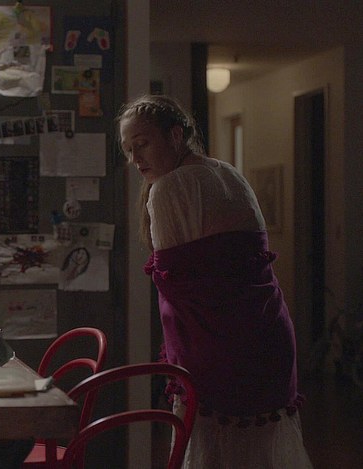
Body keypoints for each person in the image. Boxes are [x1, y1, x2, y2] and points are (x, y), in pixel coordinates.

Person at [118, 94, 313, 468]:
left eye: (142, 144)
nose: (135, 158)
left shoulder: (168, 189)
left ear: (176, 135)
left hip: (216, 349)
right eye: (129, 149)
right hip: (269, 335)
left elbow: (175, 292)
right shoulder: (229, 172)